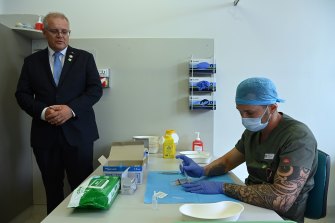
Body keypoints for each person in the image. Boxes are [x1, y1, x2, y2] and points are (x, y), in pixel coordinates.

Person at [176, 77, 317, 223]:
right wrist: (203, 171)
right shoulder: (254, 131)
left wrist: (223, 187)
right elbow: (228, 161)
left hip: (279, 216)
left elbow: (281, 199)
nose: (244, 119)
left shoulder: (298, 137)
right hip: (251, 204)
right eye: (240, 112)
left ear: (272, 108)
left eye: (250, 113)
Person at [15, 12, 103, 214]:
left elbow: (94, 90)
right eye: (55, 31)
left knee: (82, 187)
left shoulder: (84, 58)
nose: (60, 35)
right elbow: (22, 94)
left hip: (79, 134)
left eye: (65, 31)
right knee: (52, 187)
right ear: (45, 32)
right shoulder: (32, 62)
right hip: (45, 136)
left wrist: (70, 110)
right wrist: (44, 111)